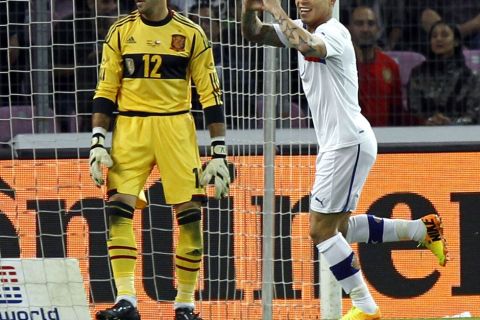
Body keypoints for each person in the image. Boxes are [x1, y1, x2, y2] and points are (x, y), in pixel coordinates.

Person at [241, 0, 448, 319]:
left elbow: (309, 47)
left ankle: (365, 307)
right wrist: (249, 9)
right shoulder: (303, 28)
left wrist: (276, 10)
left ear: (332, 2)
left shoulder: (333, 31)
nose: (301, 1)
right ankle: (422, 230)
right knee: (337, 228)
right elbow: (254, 34)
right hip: (339, 144)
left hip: (346, 143)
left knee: (320, 231)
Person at [89, 1, 230, 319]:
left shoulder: (191, 34)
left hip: (176, 127)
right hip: (130, 127)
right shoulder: (121, 32)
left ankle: (185, 305)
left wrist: (219, 152)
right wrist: (97, 140)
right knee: (117, 211)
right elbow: (106, 88)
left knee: (191, 216)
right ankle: (127, 300)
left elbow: (210, 94)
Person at [53, 0, 118, 132]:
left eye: (115, 2)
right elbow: (50, 69)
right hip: (74, 89)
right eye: (106, 3)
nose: (112, 7)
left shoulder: (124, 26)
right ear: (90, 3)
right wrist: (87, 65)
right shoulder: (70, 26)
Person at [407, 21, 480, 125]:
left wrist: (451, 123)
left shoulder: (471, 77)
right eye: (434, 36)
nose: (438, 39)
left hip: (460, 135)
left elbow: (473, 114)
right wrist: (428, 121)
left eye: (445, 35)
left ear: (456, 42)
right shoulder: (418, 74)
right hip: (423, 132)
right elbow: (413, 111)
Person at [348, 5, 406, 126]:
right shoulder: (341, 64)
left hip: (384, 138)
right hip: (350, 137)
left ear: (378, 29)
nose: (365, 29)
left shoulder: (390, 65)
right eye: (359, 24)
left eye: (370, 24)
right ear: (349, 29)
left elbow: (398, 111)